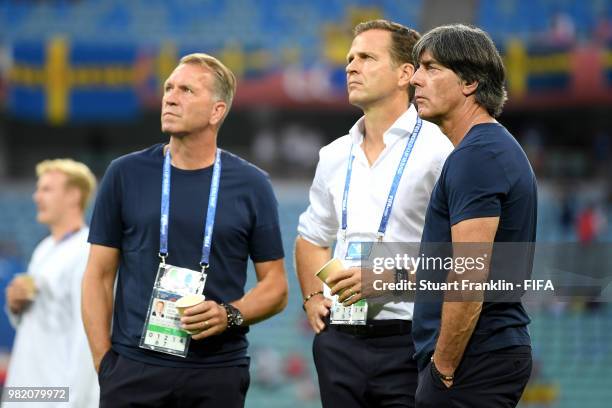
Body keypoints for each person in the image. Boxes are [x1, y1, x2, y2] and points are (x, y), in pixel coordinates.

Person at [82, 53, 288, 408]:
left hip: (216, 372)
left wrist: (229, 315)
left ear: (216, 111)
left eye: (187, 90)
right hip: (133, 371)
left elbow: (276, 287)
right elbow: (98, 275)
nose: (171, 97)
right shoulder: (124, 174)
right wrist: (105, 364)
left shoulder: (252, 184)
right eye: (168, 88)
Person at [295, 20, 453, 408]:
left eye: (366, 57)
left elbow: (468, 257)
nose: (351, 66)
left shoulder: (441, 149)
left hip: (411, 337)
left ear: (405, 74)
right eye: (350, 58)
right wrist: (314, 296)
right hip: (340, 338)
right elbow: (312, 237)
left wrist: (390, 281)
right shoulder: (332, 155)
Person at [409, 24, 537, 407]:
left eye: (431, 68)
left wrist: (442, 367)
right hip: (485, 354)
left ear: (470, 82)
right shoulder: (487, 148)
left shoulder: (477, 154)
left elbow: (469, 272)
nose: (415, 78)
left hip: (471, 360)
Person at [3, 159, 99, 407]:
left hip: (56, 392)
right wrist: (16, 306)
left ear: (73, 195)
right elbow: (36, 320)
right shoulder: (43, 248)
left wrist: (75, 401)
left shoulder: (86, 250)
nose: (36, 196)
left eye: (46, 189)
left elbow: (87, 333)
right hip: (26, 387)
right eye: (37, 189)